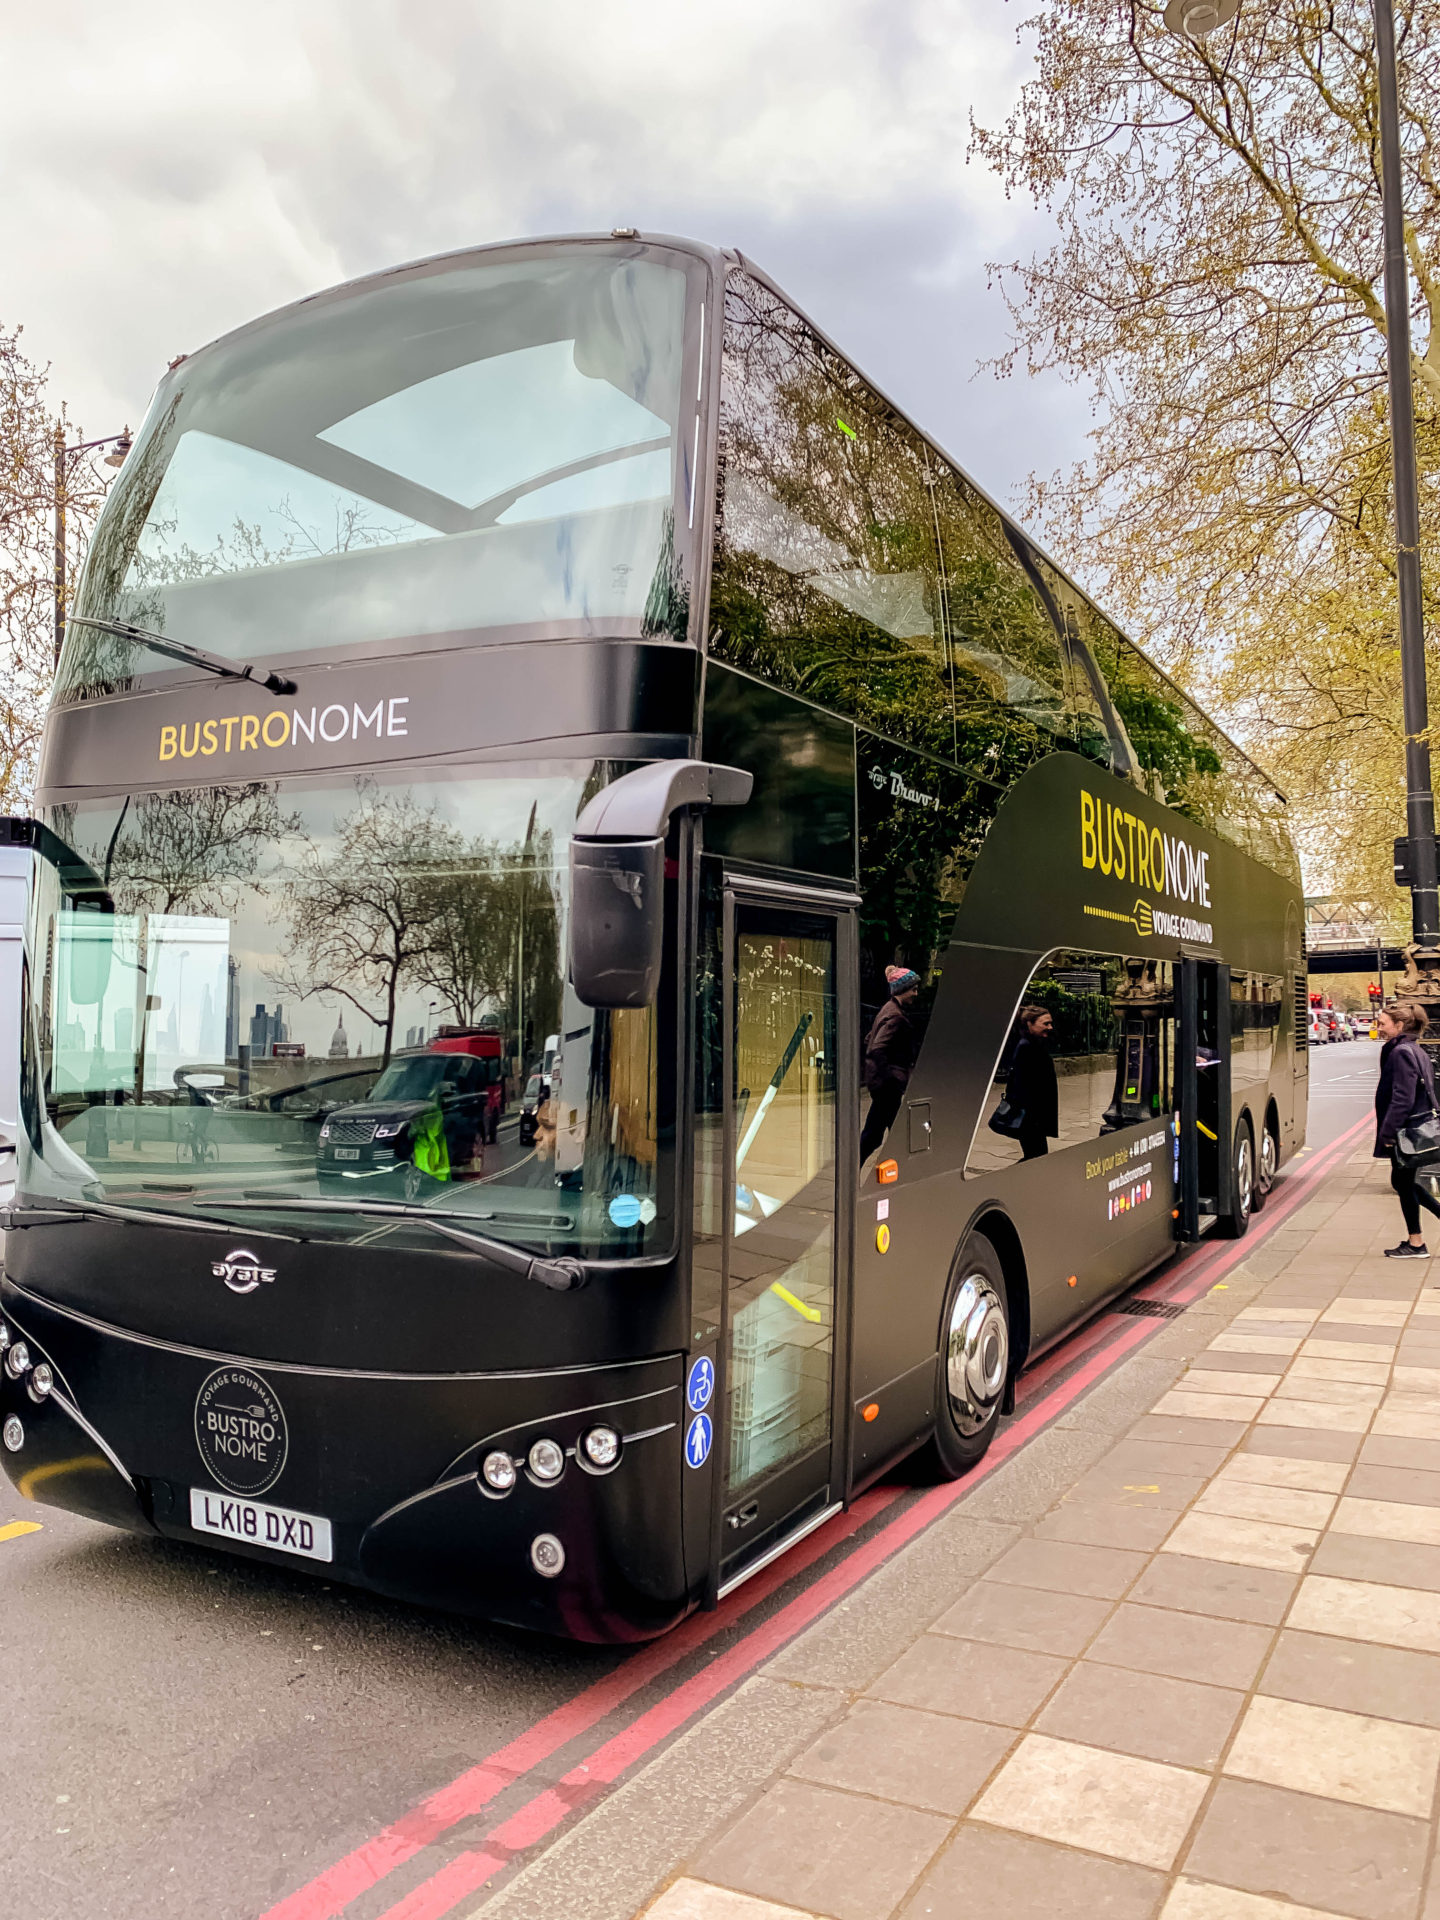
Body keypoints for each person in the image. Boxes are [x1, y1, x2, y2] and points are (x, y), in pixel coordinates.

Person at [1375, 999, 1440, 1257]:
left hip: (1406, 1130)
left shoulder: (1401, 1052)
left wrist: (1388, 1133)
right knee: (1403, 1182)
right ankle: (1416, 1241)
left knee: (1403, 1183)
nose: (1378, 1027)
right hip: (1411, 1127)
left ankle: (1416, 1243)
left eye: (1382, 1023)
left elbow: (1403, 1097)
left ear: (1399, 1025)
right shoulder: (1414, 1049)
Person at [860, 966, 921, 1164]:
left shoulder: (888, 1009)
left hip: (882, 1083)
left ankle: (900, 1171)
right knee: (878, 1135)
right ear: (903, 989)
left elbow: (869, 1039)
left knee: (886, 1134)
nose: (916, 993)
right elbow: (876, 1047)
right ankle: (852, 1172)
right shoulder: (896, 1016)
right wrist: (891, 1076)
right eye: (913, 989)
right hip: (887, 1086)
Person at [1007, 1005, 1059, 1161]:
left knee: (1036, 1157)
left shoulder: (1035, 1044)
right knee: (1036, 1157)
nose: (1050, 1027)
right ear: (1030, 1024)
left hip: (1036, 1118)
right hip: (1031, 1119)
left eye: (1050, 1023)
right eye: (1045, 1024)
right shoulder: (1026, 1047)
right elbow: (1022, 1085)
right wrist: (1033, 1118)